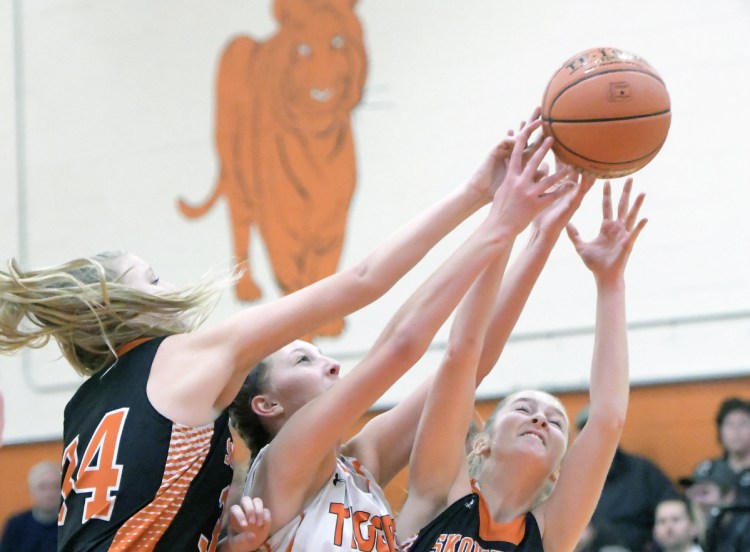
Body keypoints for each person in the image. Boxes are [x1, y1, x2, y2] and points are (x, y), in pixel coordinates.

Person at [0, 124, 539, 551]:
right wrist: (482, 203)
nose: (170, 287)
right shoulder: (185, 362)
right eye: (152, 278)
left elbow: (468, 362)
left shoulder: (86, 404)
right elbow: (364, 285)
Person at [230, 118, 576, 551]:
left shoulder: (360, 460)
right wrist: (499, 219)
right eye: (303, 360)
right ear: (268, 404)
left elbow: (471, 363)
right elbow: (401, 346)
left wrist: (537, 237)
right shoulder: (282, 465)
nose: (333, 363)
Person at [397, 178, 647, 552]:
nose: (540, 419)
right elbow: (462, 354)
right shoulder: (438, 492)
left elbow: (608, 420)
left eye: (556, 421)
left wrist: (610, 283)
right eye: (523, 408)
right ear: (482, 443)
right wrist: (507, 223)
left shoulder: (548, 534)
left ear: (557, 469)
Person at [575, 405, 680, 551]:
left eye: (603, 428)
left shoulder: (643, 471)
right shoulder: (574, 479)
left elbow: (673, 510)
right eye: (588, 431)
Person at [681, 461, 750, 552]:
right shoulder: (708, 532)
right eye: (694, 493)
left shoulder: (746, 530)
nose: (698, 502)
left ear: (729, 495)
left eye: (704, 493)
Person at [0, 460, 60, 552]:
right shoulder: (15, 526)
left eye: (55, 486)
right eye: (42, 487)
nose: (49, 493)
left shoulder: (73, 524)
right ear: (31, 491)